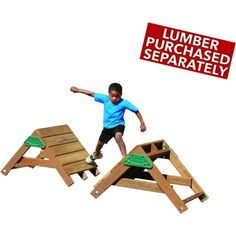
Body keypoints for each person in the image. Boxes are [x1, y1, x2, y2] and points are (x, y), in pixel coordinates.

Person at [70, 83, 146, 163]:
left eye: (117, 96)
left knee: (118, 136)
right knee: (99, 144)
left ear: (121, 95)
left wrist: (142, 123)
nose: (114, 98)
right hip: (107, 127)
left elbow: (136, 111)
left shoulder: (124, 103)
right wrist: (78, 90)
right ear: (108, 93)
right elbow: (91, 93)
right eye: (112, 96)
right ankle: (97, 154)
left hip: (119, 124)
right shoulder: (105, 99)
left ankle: (124, 157)